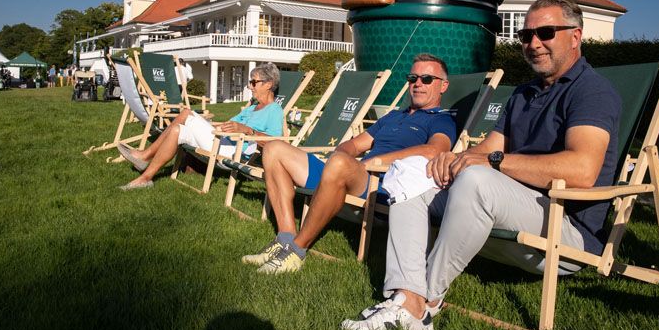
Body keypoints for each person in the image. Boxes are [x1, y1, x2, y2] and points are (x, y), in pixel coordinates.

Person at [341, 0, 622, 330]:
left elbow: (582, 170)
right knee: (411, 172)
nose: (533, 44)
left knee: (476, 178)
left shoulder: (591, 91)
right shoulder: (524, 94)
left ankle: (424, 302)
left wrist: (488, 163)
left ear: (575, 36)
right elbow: (488, 149)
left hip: (566, 227)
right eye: (525, 35)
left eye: (545, 33)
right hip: (511, 205)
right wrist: (452, 160)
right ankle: (405, 295)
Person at [242, 53, 457, 274]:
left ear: (443, 86)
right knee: (274, 149)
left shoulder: (441, 119)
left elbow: (435, 150)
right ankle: (285, 238)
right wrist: (341, 156)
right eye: (413, 78)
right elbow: (353, 146)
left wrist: (375, 161)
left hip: (380, 184)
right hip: (351, 172)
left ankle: (296, 251)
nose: (418, 84)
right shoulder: (393, 117)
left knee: (339, 164)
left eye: (427, 79)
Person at [118, 62, 284, 191]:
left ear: (268, 84)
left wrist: (247, 130)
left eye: (254, 82)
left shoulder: (274, 111)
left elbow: (276, 143)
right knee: (178, 130)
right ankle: (146, 178)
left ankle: (145, 156)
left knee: (186, 114)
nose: (250, 86)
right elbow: (229, 125)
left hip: (234, 151)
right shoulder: (252, 107)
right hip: (222, 141)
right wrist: (218, 126)